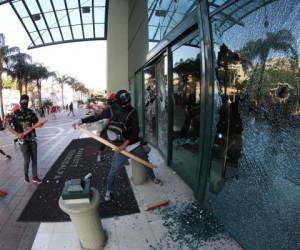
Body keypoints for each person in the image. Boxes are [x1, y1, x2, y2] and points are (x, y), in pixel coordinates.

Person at [74, 90, 161, 201]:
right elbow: (96, 117)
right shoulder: (111, 109)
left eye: (126, 104)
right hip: (120, 147)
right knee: (113, 170)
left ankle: (153, 178)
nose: (125, 106)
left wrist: (123, 146)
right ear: (117, 102)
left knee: (145, 161)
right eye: (123, 104)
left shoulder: (132, 111)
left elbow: (135, 131)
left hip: (132, 144)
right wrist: (81, 120)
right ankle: (109, 190)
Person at [6, 94, 43, 184]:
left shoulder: (31, 112)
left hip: (32, 139)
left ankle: (34, 176)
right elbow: (8, 125)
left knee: (34, 159)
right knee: (27, 160)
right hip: (23, 141)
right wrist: (17, 134)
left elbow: (37, 123)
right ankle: (26, 174)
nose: (24, 103)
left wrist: (41, 124)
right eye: (23, 101)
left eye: (26, 101)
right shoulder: (15, 114)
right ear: (20, 101)